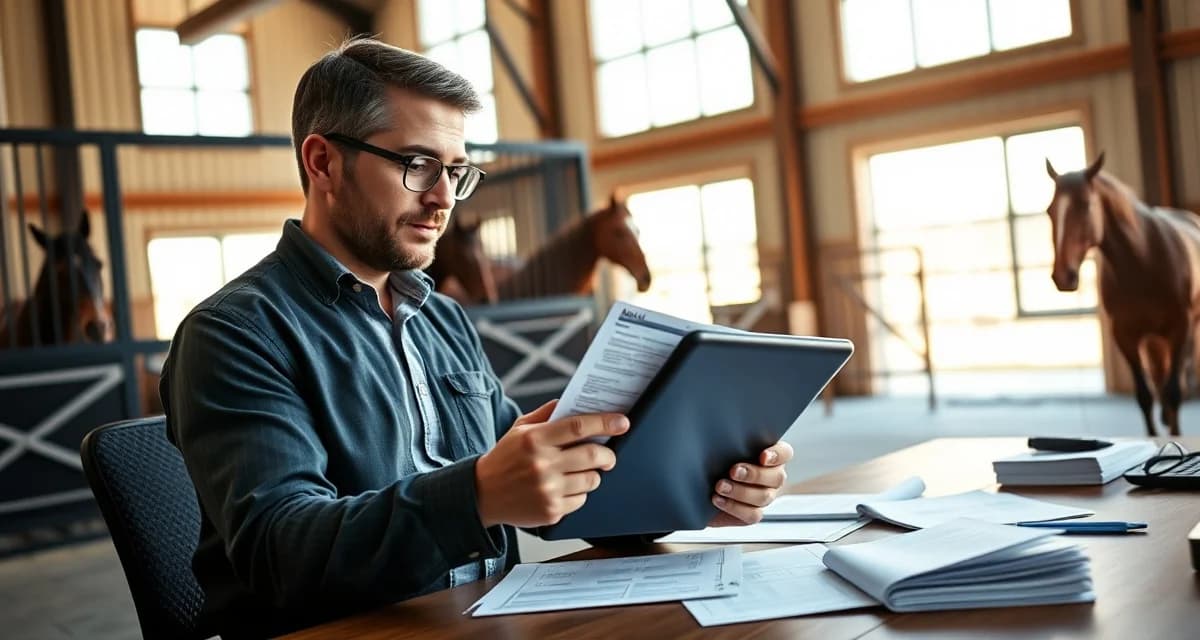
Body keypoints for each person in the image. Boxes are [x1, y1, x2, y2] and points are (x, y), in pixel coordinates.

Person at [161, 37, 794, 638]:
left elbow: (537, 495)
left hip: (487, 618)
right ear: (323, 161)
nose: (442, 200)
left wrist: (693, 492)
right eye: (417, 165)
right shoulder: (235, 333)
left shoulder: (443, 319)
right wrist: (476, 493)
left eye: (457, 173)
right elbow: (280, 554)